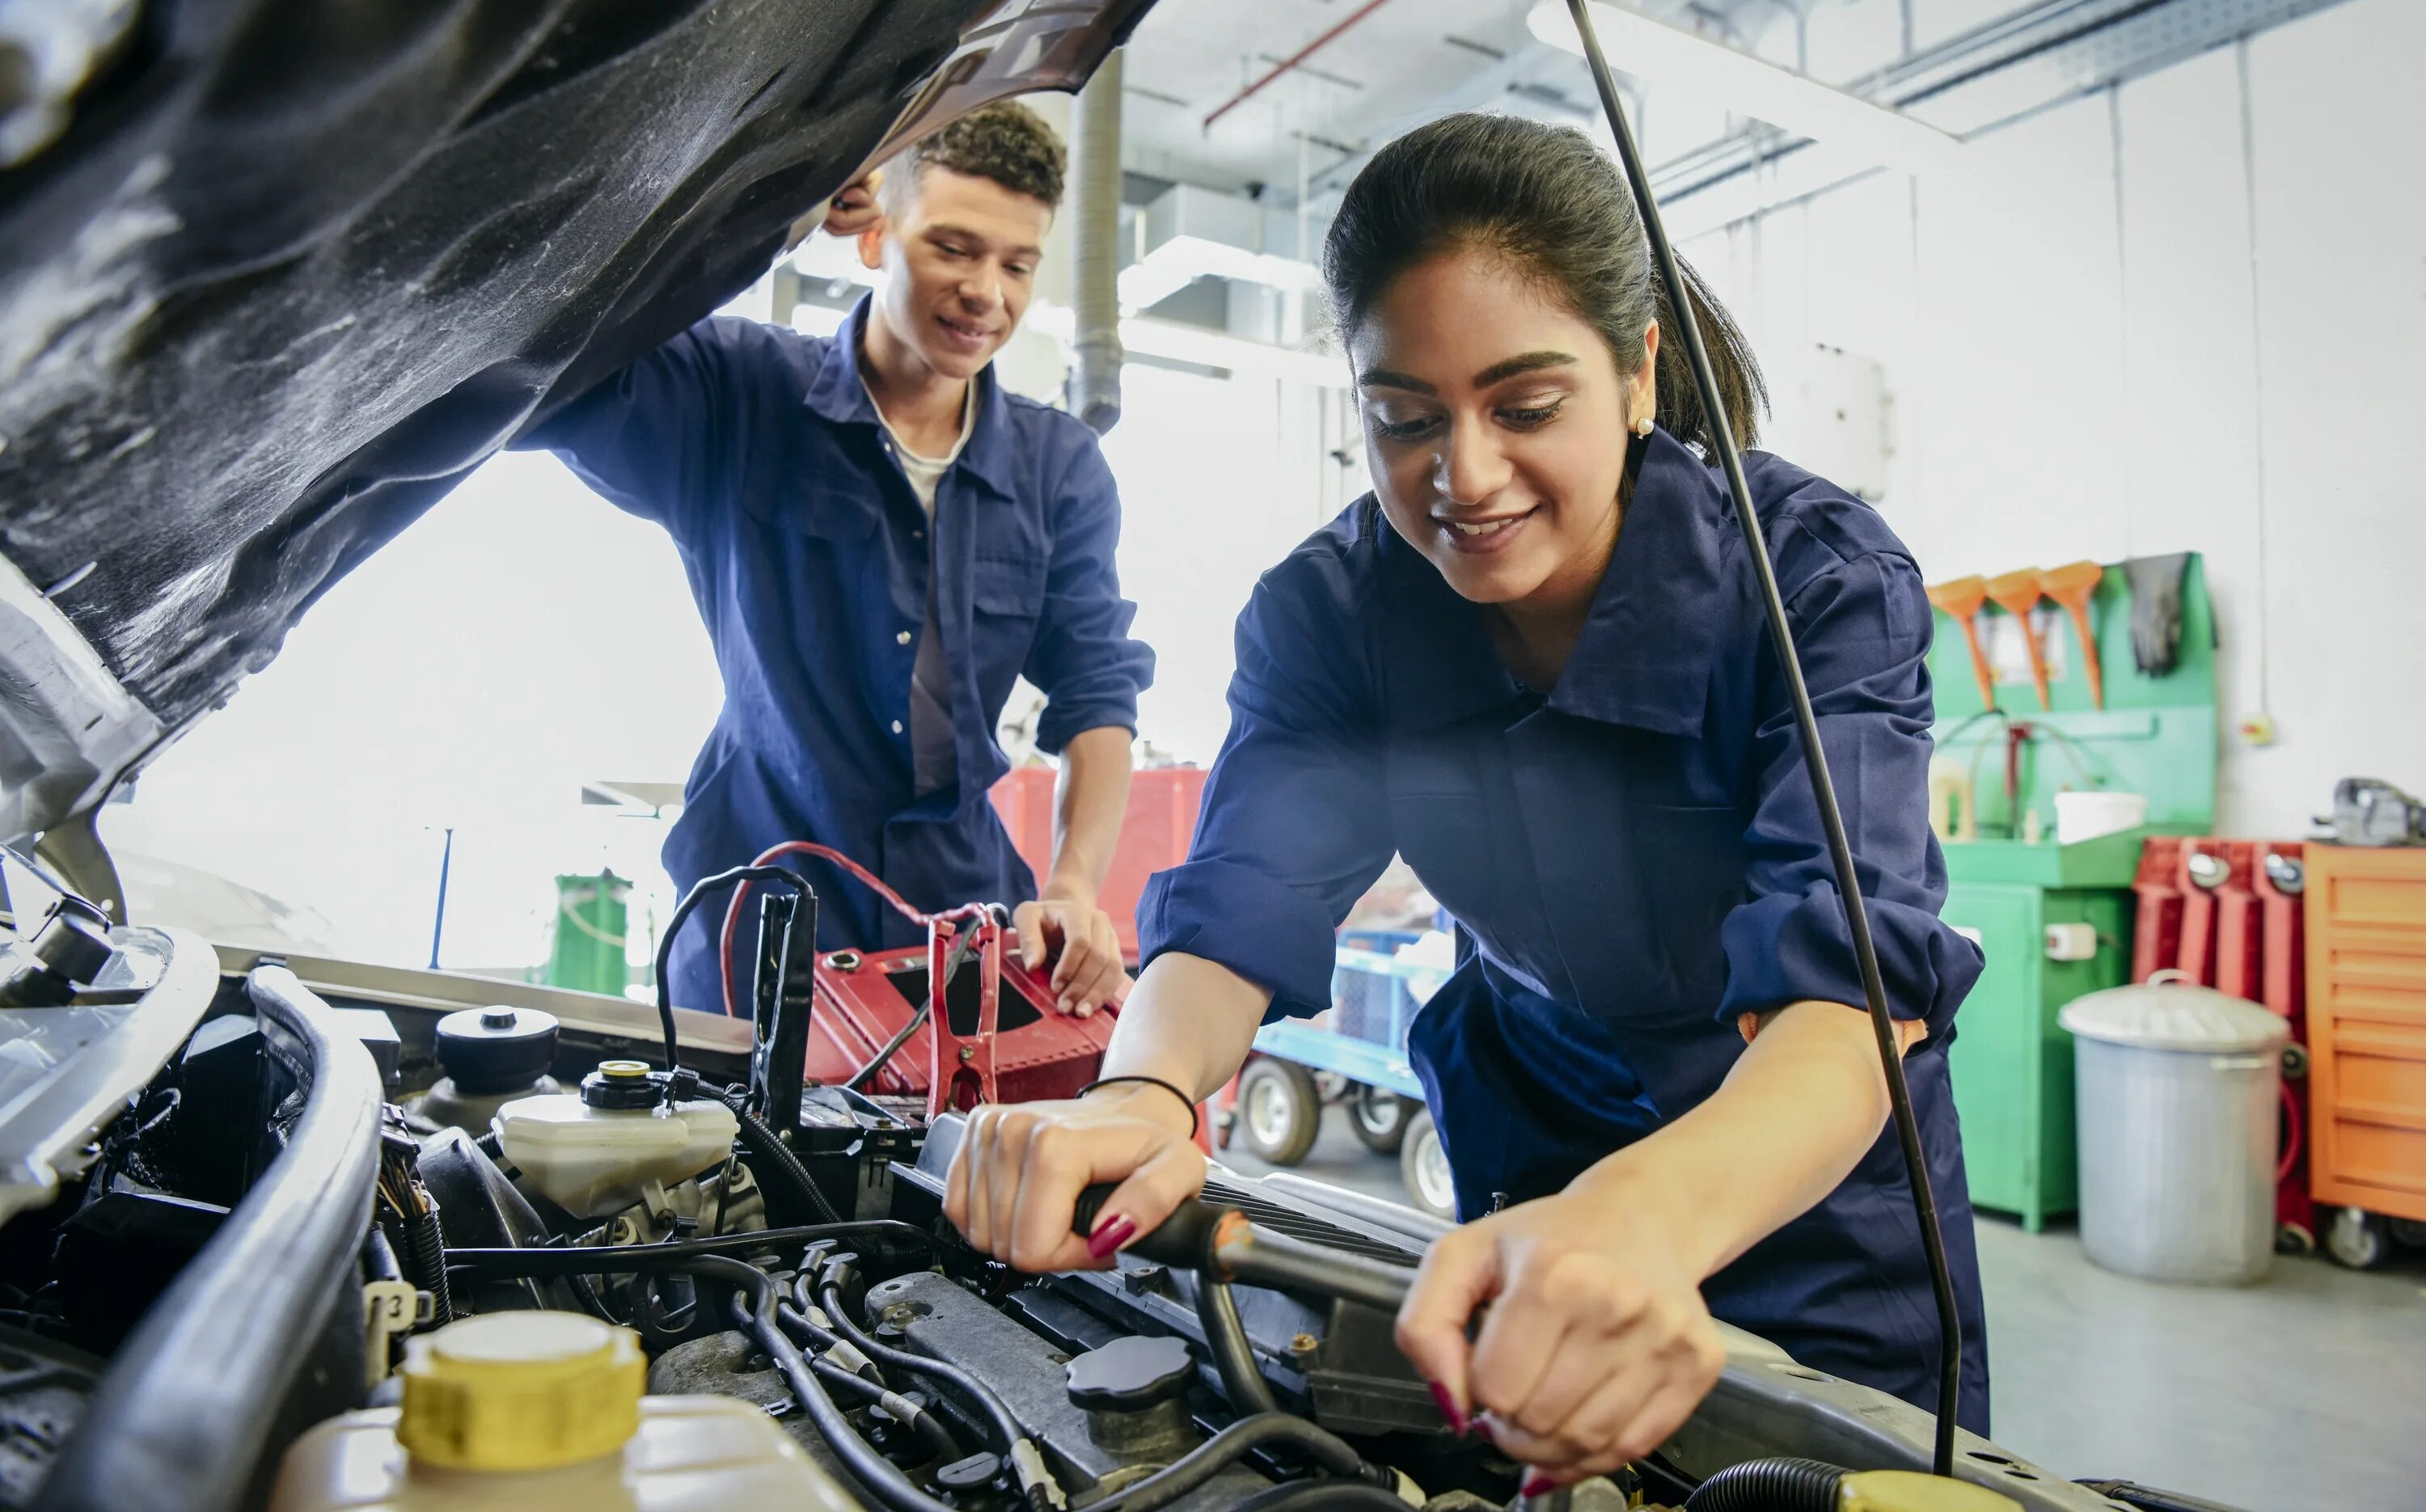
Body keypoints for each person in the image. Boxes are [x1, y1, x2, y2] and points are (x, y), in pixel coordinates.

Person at [940, 112, 1989, 1489]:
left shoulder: (1817, 585)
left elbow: (1851, 992)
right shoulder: (1333, 613)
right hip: (1533, 1143)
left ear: (1637, 373)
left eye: (1528, 406)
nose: (1466, 477)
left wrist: (1645, 1217)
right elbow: (1241, 904)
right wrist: (1139, 1092)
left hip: (1807, 1180)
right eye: (1405, 419)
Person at [525, 104, 1152, 1020]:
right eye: (953, 246)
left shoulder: (1059, 471)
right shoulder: (739, 394)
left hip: (960, 938)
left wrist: (1072, 884)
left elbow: (1097, 692)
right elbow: (555, 362)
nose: (989, 292)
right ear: (873, 238)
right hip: (757, 931)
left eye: (1017, 265)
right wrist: (765, 218)